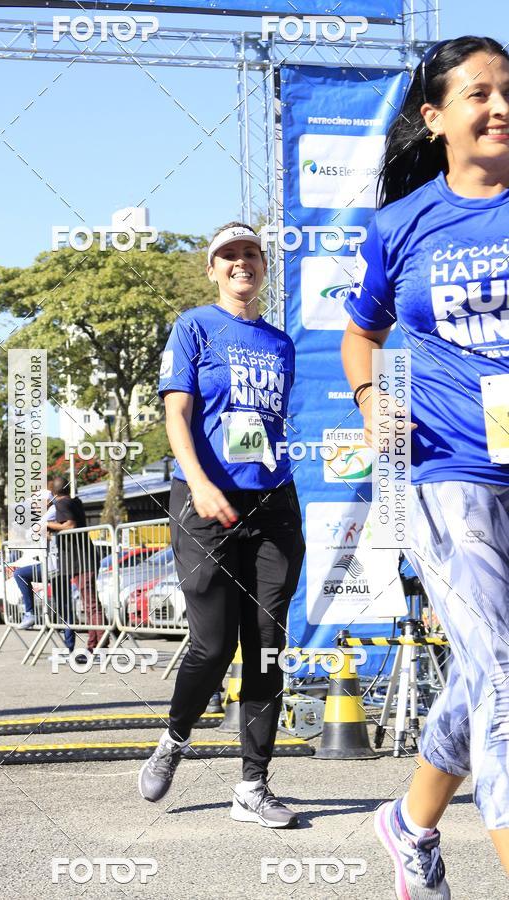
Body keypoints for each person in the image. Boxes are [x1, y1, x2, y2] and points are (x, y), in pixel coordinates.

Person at [342, 36, 509, 898]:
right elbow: (361, 333)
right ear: (434, 117)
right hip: (444, 471)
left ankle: (409, 823)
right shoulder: (400, 226)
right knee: (505, 675)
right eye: (480, 93)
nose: (501, 106)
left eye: (508, 90)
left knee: (489, 667)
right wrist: (372, 399)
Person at [138, 222, 306, 828]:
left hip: (272, 504)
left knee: (266, 646)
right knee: (213, 645)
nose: (242, 263)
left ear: (264, 266)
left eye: (251, 254)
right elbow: (177, 414)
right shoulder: (193, 327)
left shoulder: (280, 343)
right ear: (212, 269)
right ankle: (175, 737)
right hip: (205, 502)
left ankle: (253, 786)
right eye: (229, 255)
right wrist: (201, 482)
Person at [45, 476, 87, 655]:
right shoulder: (72, 502)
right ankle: (77, 646)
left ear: (52, 493)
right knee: (68, 604)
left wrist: (45, 524)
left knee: (70, 604)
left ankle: (86, 647)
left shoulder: (60, 505)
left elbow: (69, 526)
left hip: (63, 563)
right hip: (63, 561)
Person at [15, 490, 56, 630]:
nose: (34, 507)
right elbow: (31, 533)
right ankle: (30, 613)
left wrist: (39, 530)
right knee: (20, 574)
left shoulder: (53, 511)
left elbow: (32, 532)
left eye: (36, 503)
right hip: (50, 562)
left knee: (20, 574)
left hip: (54, 564)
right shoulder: (46, 514)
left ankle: (30, 613)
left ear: (47, 502)